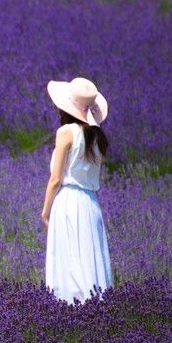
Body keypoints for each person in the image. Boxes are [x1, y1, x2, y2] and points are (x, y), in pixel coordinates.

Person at [41, 77, 114, 305]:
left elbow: (56, 179)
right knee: (90, 259)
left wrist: (45, 211)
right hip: (90, 204)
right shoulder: (97, 137)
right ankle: (96, 312)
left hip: (68, 202)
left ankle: (70, 312)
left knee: (69, 261)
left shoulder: (66, 132)